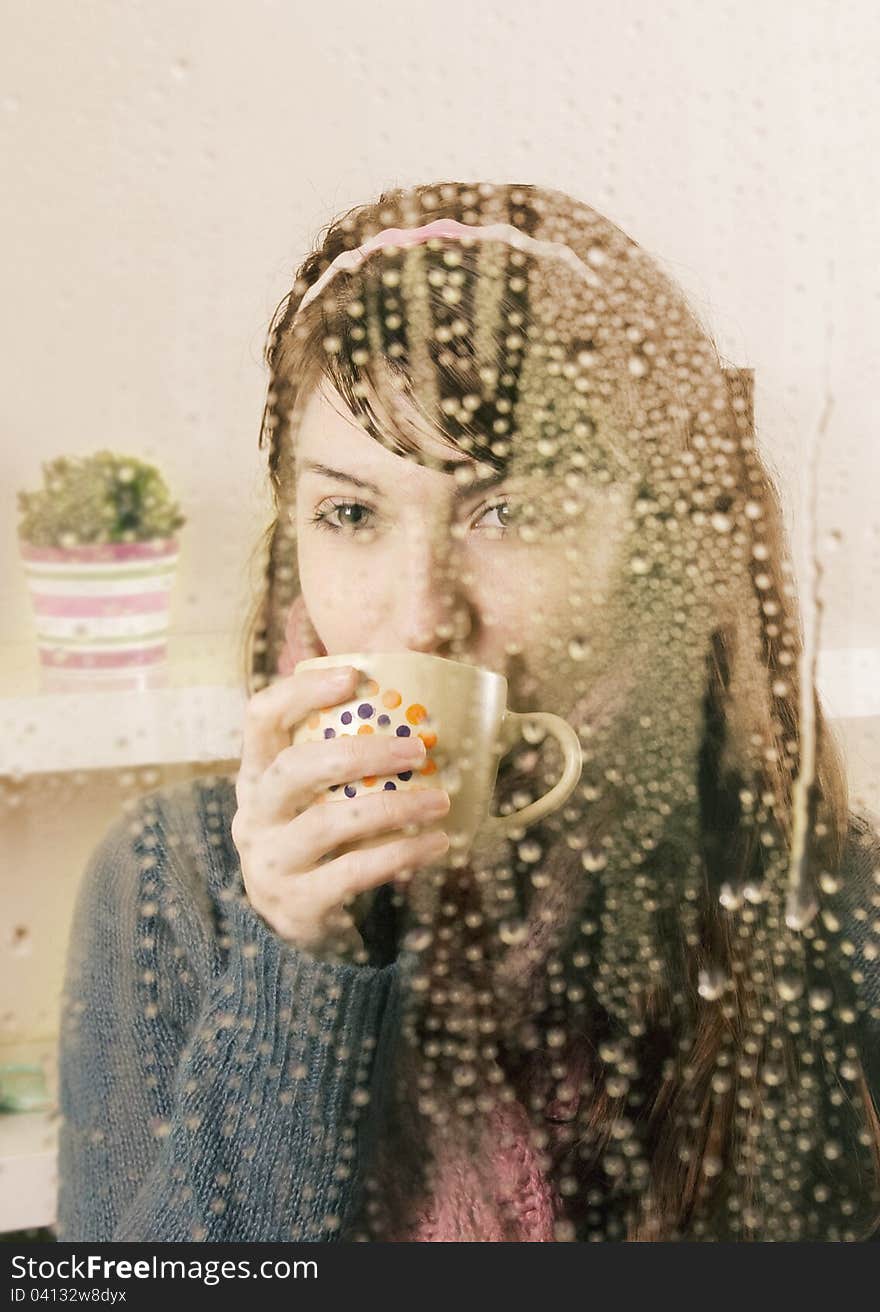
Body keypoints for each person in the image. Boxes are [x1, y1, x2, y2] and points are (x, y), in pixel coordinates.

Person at [56, 180, 880, 1243]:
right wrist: (300, 966)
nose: (420, 612)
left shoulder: (818, 900)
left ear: (652, 549)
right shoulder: (171, 883)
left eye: (507, 509)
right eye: (349, 511)